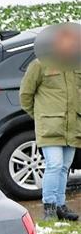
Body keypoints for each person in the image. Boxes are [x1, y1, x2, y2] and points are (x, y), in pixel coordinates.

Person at [20, 23, 81, 221]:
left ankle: (61, 206)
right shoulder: (39, 65)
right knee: (54, 165)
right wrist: (41, 117)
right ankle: (49, 207)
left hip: (72, 126)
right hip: (50, 126)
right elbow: (25, 96)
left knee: (64, 167)